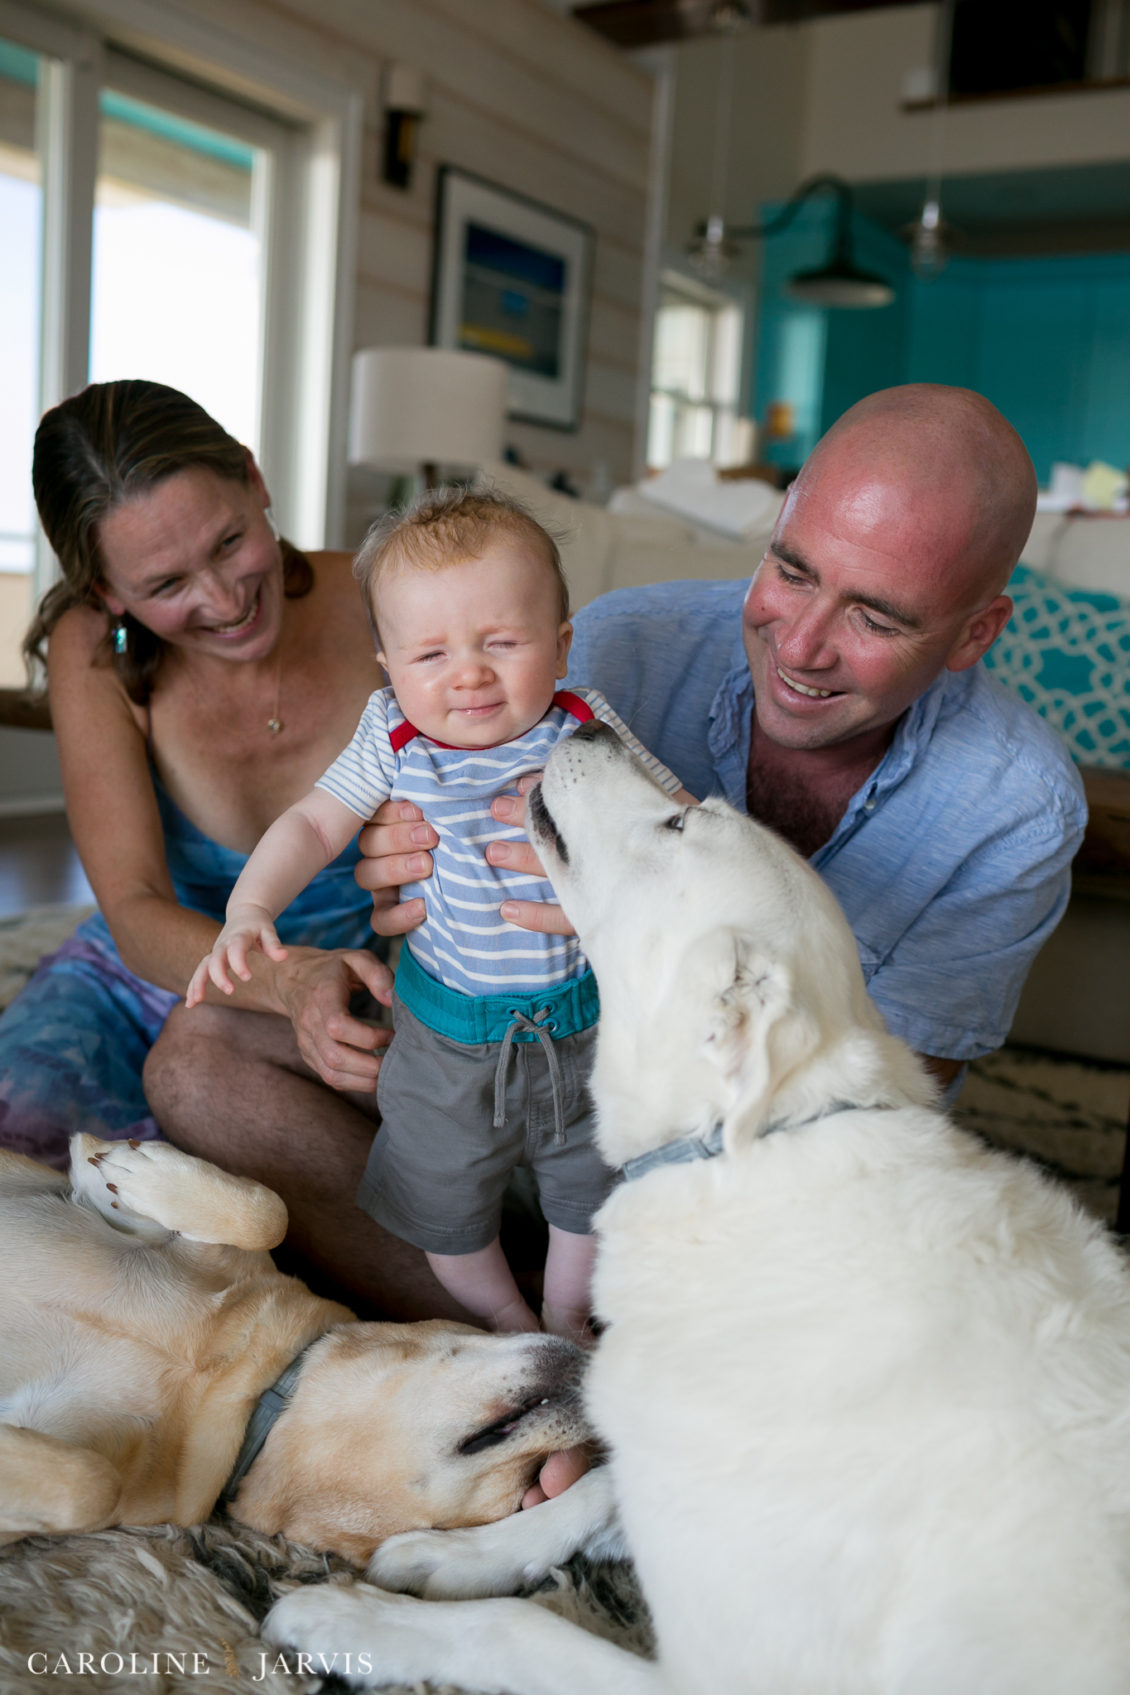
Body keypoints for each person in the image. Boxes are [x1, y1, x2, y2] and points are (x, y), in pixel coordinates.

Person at [352, 385, 1088, 1096]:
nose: (798, 648)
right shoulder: (614, 652)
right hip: (498, 1087)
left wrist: (644, 932)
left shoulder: (1019, 806)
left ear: (975, 634)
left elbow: (886, 1092)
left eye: (874, 619)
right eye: (791, 572)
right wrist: (409, 855)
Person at [0, 378, 464, 1327]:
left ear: (254, 481)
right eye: (165, 586)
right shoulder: (94, 648)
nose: (223, 599)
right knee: (33, 1190)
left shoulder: (385, 601)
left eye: (227, 542)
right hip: (148, 975)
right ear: (107, 590)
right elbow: (134, 908)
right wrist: (284, 981)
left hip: (359, 971)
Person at [187, 488, 688, 1340]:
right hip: (447, 1041)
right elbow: (313, 824)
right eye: (431, 653)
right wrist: (250, 907)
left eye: (502, 642)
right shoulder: (392, 739)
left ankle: (566, 1315)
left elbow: (680, 821)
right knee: (441, 1206)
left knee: (592, 1194)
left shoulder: (583, 727)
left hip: (585, 1029)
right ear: (388, 665)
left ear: (561, 644)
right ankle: (501, 1315)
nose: (469, 673)